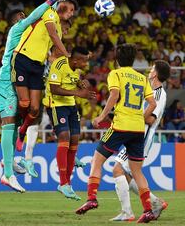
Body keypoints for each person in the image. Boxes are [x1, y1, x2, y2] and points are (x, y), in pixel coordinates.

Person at [0, 0, 73, 192]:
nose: (25, 17)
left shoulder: (32, 34)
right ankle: (8, 173)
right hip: (5, 79)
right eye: (22, 16)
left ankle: (7, 164)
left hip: (17, 75)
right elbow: (38, 14)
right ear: (17, 20)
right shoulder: (17, 30)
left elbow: (44, 19)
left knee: (23, 115)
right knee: (9, 121)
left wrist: (57, 5)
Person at [75, 44, 157, 223]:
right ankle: (148, 210)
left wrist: (101, 116)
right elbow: (152, 104)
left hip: (120, 125)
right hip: (137, 129)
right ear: (133, 59)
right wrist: (140, 117)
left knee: (97, 160)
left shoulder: (115, 74)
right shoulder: (142, 78)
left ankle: (91, 198)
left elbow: (114, 95)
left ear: (117, 59)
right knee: (137, 172)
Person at [12, 0, 78, 151]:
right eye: (71, 10)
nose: (72, 13)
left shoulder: (60, 34)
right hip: (22, 58)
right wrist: (68, 55)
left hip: (38, 66)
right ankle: (17, 127)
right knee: (24, 103)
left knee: (34, 109)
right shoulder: (49, 13)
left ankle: (22, 132)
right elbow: (53, 36)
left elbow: (54, 55)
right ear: (63, 5)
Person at [111, 60, 171, 221]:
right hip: (136, 135)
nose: (149, 71)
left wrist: (132, 117)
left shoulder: (159, 93)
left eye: (152, 69)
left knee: (117, 170)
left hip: (142, 138)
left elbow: (151, 119)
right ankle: (155, 202)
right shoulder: (151, 90)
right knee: (128, 174)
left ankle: (127, 212)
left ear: (156, 74)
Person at [43, 46, 96, 200]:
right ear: (76, 60)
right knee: (64, 137)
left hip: (71, 106)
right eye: (84, 61)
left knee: (74, 141)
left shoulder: (77, 71)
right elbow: (54, 88)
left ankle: (68, 184)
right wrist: (78, 93)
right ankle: (63, 183)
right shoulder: (59, 64)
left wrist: (81, 84)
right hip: (56, 105)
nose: (86, 64)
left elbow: (74, 81)